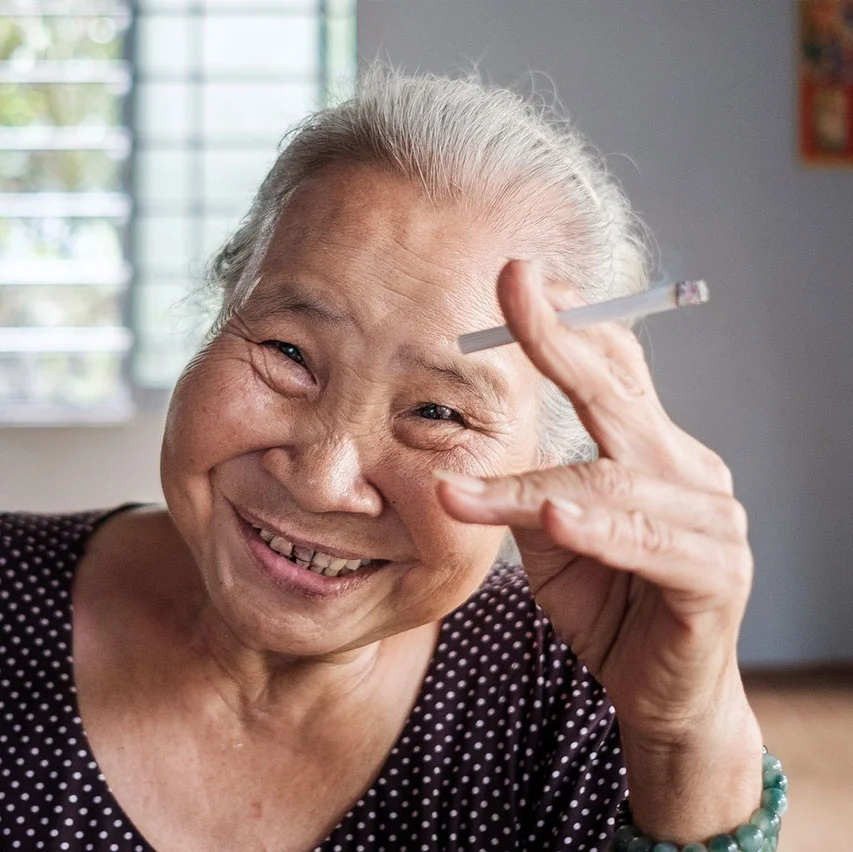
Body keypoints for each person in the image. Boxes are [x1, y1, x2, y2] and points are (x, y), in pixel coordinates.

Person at [0, 67, 781, 852]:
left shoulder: (578, 693)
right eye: (287, 353)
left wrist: (684, 733)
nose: (322, 478)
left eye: (439, 412)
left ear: (548, 461)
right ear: (218, 308)